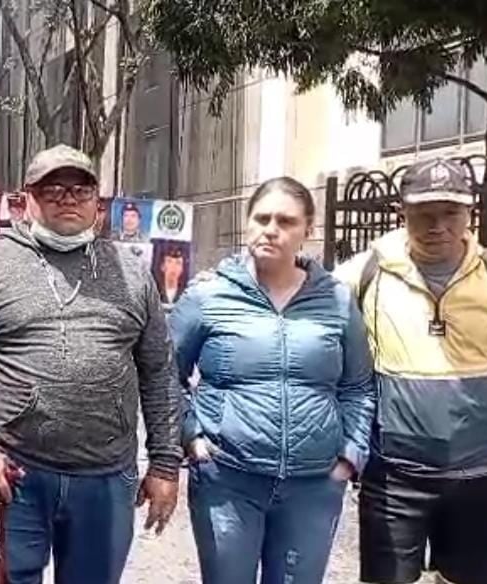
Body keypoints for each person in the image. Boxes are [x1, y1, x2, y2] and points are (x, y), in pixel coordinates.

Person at [0, 144, 182, 584]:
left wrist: (164, 464)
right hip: (12, 474)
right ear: (27, 197)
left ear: (98, 205)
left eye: (80, 189)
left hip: (106, 479)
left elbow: (159, 372)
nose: (67, 198)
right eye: (52, 189)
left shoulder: (132, 272)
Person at [334, 158, 487, 584]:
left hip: (477, 475)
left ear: (471, 214)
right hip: (392, 476)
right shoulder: (362, 275)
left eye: (451, 212)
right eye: (424, 212)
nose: (438, 224)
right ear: (401, 212)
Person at [170, 177, 376, 584]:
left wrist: (350, 455)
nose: (271, 229)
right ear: (247, 223)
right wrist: (192, 437)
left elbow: (358, 386)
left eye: (286, 220)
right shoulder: (209, 295)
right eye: (262, 218)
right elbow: (165, 376)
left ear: (307, 231)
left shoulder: (336, 299)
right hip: (227, 479)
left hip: (313, 485)